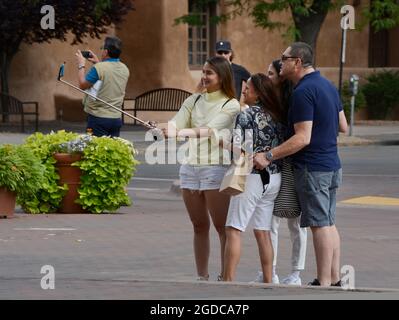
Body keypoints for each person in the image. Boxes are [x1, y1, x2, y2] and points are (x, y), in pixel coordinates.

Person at [253, 42, 348, 287]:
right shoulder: (327, 85)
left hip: (312, 167)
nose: (280, 61)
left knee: (318, 225)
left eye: (283, 58)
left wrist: (268, 155)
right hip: (331, 163)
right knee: (328, 222)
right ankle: (335, 278)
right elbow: (343, 126)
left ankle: (324, 283)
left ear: (297, 62)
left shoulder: (303, 92)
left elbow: (302, 137)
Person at [162, 56, 240, 281]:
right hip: (189, 168)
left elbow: (208, 130)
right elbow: (177, 122)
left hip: (214, 168)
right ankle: (201, 277)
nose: (204, 77)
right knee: (198, 225)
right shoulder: (194, 100)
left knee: (221, 227)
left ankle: (226, 277)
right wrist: (164, 128)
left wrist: (177, 133)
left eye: (209, 73)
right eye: (203, 72)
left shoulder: (231, 105)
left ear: (222, 77)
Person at [223, 73, 285, 283]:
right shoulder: (277, 115)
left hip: (251, 177)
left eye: (248, 88)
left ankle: (228, 280)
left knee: (234, 228)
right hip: (274, 177)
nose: (244, 91)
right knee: (263, 232)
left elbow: (238, 150)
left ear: (258, 92)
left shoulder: (246, 115)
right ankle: (269, 280)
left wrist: (223, 143)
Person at [75, 35, 130, 137]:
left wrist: (81, 65)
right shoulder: (124, 68)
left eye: (102, 49)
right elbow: (108, 75)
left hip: (98, 118)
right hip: (116, 118)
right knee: (111, 151)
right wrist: (97, 63)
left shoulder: (99, 68)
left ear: (106, 52)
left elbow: (82, 85)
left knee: (95, 150)